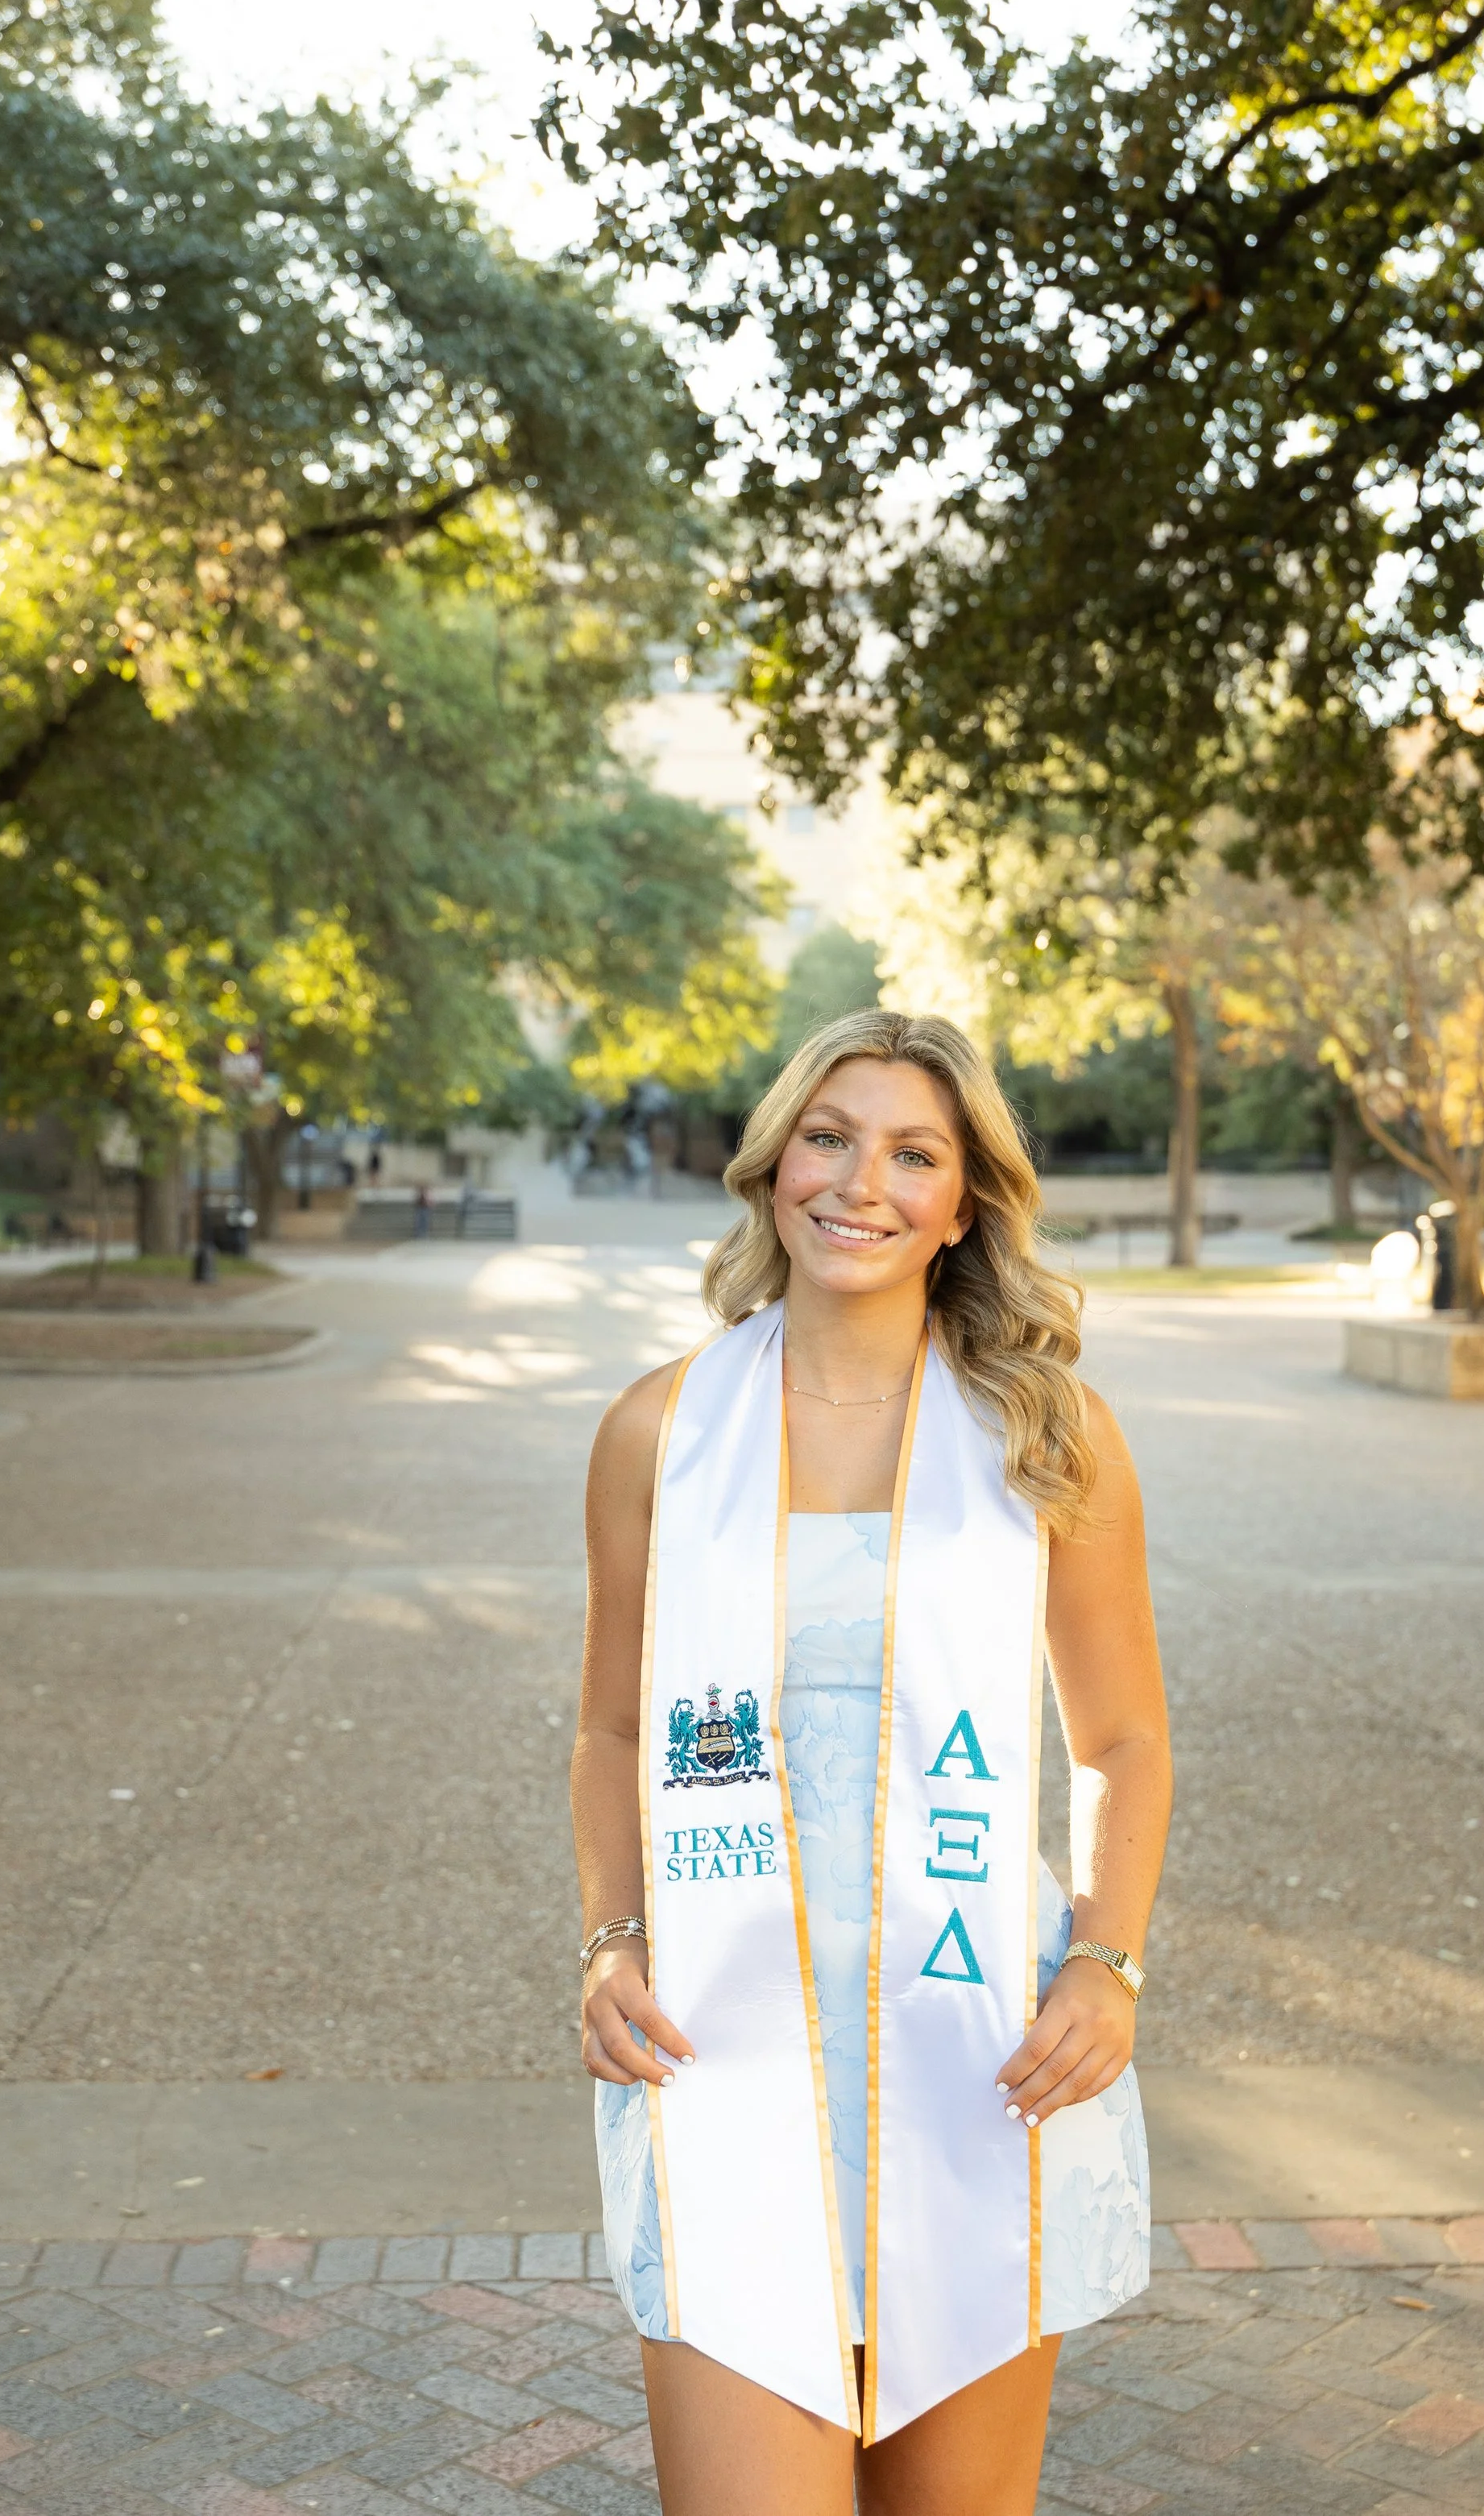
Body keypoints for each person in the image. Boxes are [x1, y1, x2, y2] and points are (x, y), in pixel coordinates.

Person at [572, 1010, 1171, 2516]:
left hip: (972, 2040)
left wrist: (1108, 1959)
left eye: (916, 1154)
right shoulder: (662, 1429)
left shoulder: (1047, 1435)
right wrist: (608, 1937)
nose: (863, 1183)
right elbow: (614, 1727)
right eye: (829, 1139)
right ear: (776, 1167)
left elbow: (1122, 1738)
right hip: (725, 2038)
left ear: (964, 1203)